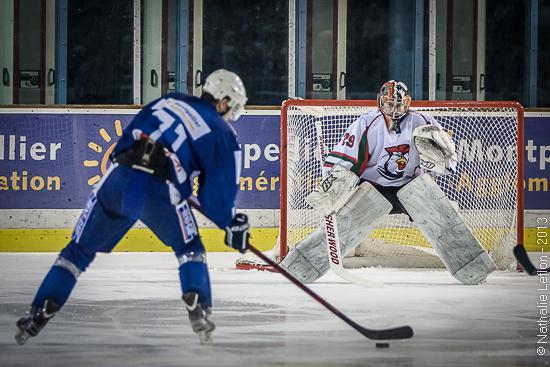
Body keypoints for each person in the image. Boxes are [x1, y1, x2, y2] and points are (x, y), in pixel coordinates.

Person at [15, 69, 250, 346]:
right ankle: (198, 304)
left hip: (118, 177)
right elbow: (216, 200)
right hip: (160, 189)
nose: (230, 113)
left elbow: (127, 139)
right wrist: (231, 222)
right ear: (222, 101)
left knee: (76, 253)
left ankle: (39, 312)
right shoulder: (223, 133)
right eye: (231, 106)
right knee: (190, 250)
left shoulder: (170, 100)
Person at [281, 80, 499, 285]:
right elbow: (345, 161)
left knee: (442, 218)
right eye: (389, 104)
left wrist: (440, 161)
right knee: (344, 227)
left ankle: (473, 267)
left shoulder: (423, 121)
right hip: (373, 188)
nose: (394, 110)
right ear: (380, 101)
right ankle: (301, 266)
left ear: (408, 103)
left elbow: (449, 156)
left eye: (398, 105)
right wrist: (333, 188)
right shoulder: (366, 123)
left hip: (412, 186)